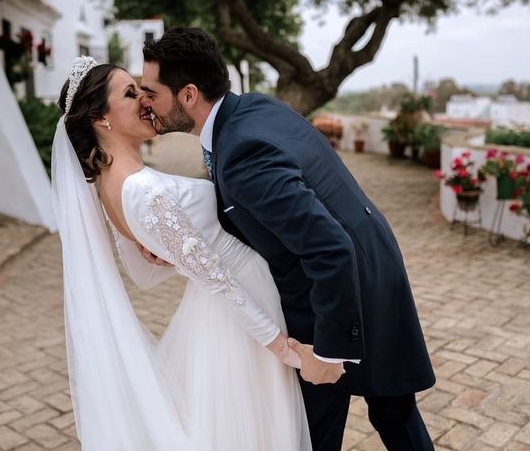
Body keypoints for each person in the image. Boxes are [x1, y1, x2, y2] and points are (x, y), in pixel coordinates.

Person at [140, 27, 437, 451]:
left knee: (314, 436)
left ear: (188, 94)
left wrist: (329, 354)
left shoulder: (242, 154)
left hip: (336, 296)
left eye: (151, 91)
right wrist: (180, 246)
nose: (146, 101)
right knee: (393, 413)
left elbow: (329, 247)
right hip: (373, 260)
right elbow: (262, 218)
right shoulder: (252, 109)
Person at [51, 56, 312, 450]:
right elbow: (217, 280)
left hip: (219, 311)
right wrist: (280, 346)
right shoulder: (141, 189)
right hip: (241, 310)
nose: (145, 99)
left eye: (140, 88)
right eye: (129, 93)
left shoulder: (111, 186)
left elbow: (145, 275)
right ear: (100, 119)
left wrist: (174, 256)